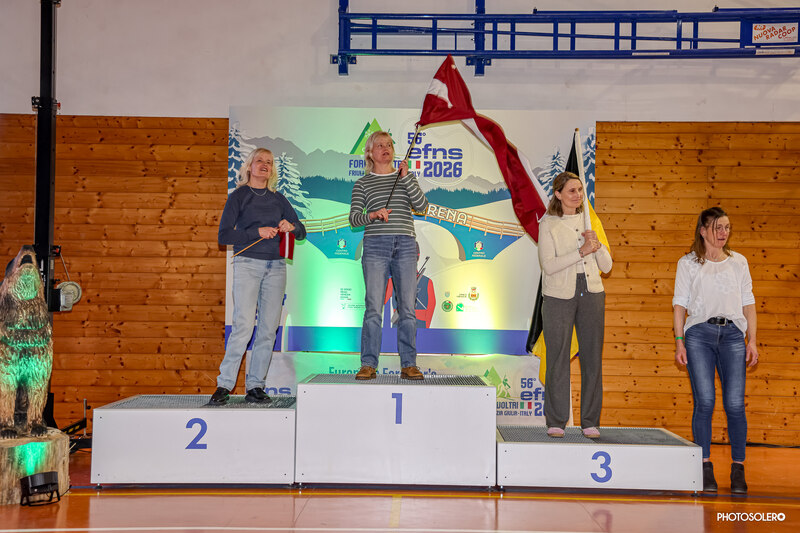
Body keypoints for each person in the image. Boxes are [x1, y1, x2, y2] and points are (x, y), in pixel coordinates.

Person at [210, 148, 306, 405]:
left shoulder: (279, 199)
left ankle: (255, 386)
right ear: (250, 166)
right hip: (247, 265)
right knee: (243, 327)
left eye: (269, 162)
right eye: (260, 160)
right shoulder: (238, 196)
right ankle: (224, 385)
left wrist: (291, 226)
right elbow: (224, 236)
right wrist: (257, 232)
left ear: (272, 170)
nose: (265, 165)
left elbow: (301, 231)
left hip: (277, 267)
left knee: (267, 329)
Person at [673, 206, 758, 494]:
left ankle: (738, 468)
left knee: (734, 404)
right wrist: (679, 341)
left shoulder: (738, 262)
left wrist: (752, 340)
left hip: (733, 335)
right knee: (705, 401)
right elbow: (680, 305)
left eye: (727, 227)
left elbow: (748, 303)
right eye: (717, 227)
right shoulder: (688, 263)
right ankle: (704, 467)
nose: (723, 232)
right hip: (699, 335)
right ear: (703, 230)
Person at [349, 131, 429, 380]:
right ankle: (368, 364)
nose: (385, 148)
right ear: (370, 153)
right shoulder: (362, 183)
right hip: (375, 245)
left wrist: (406, 178)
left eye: (389, 145)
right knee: (374, 307)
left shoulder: (405, 177)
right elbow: (354, 219)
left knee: (407, 308)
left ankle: (409, 364)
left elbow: (422, 206)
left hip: (405, 244)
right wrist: (373, 215)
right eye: (379, 145)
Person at [538, 171, 612, 439]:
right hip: (558, 296)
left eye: (580, 190)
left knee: (592, 358)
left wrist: (597, 245)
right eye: (572, 190)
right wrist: (581, 251)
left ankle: (590, 421)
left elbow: (607, 267)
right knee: (557, 357)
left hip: (592, 293)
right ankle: (556, 421)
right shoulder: (548, 224)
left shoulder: (590, 221)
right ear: (558, 194)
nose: (578, 195)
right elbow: (549, 265)